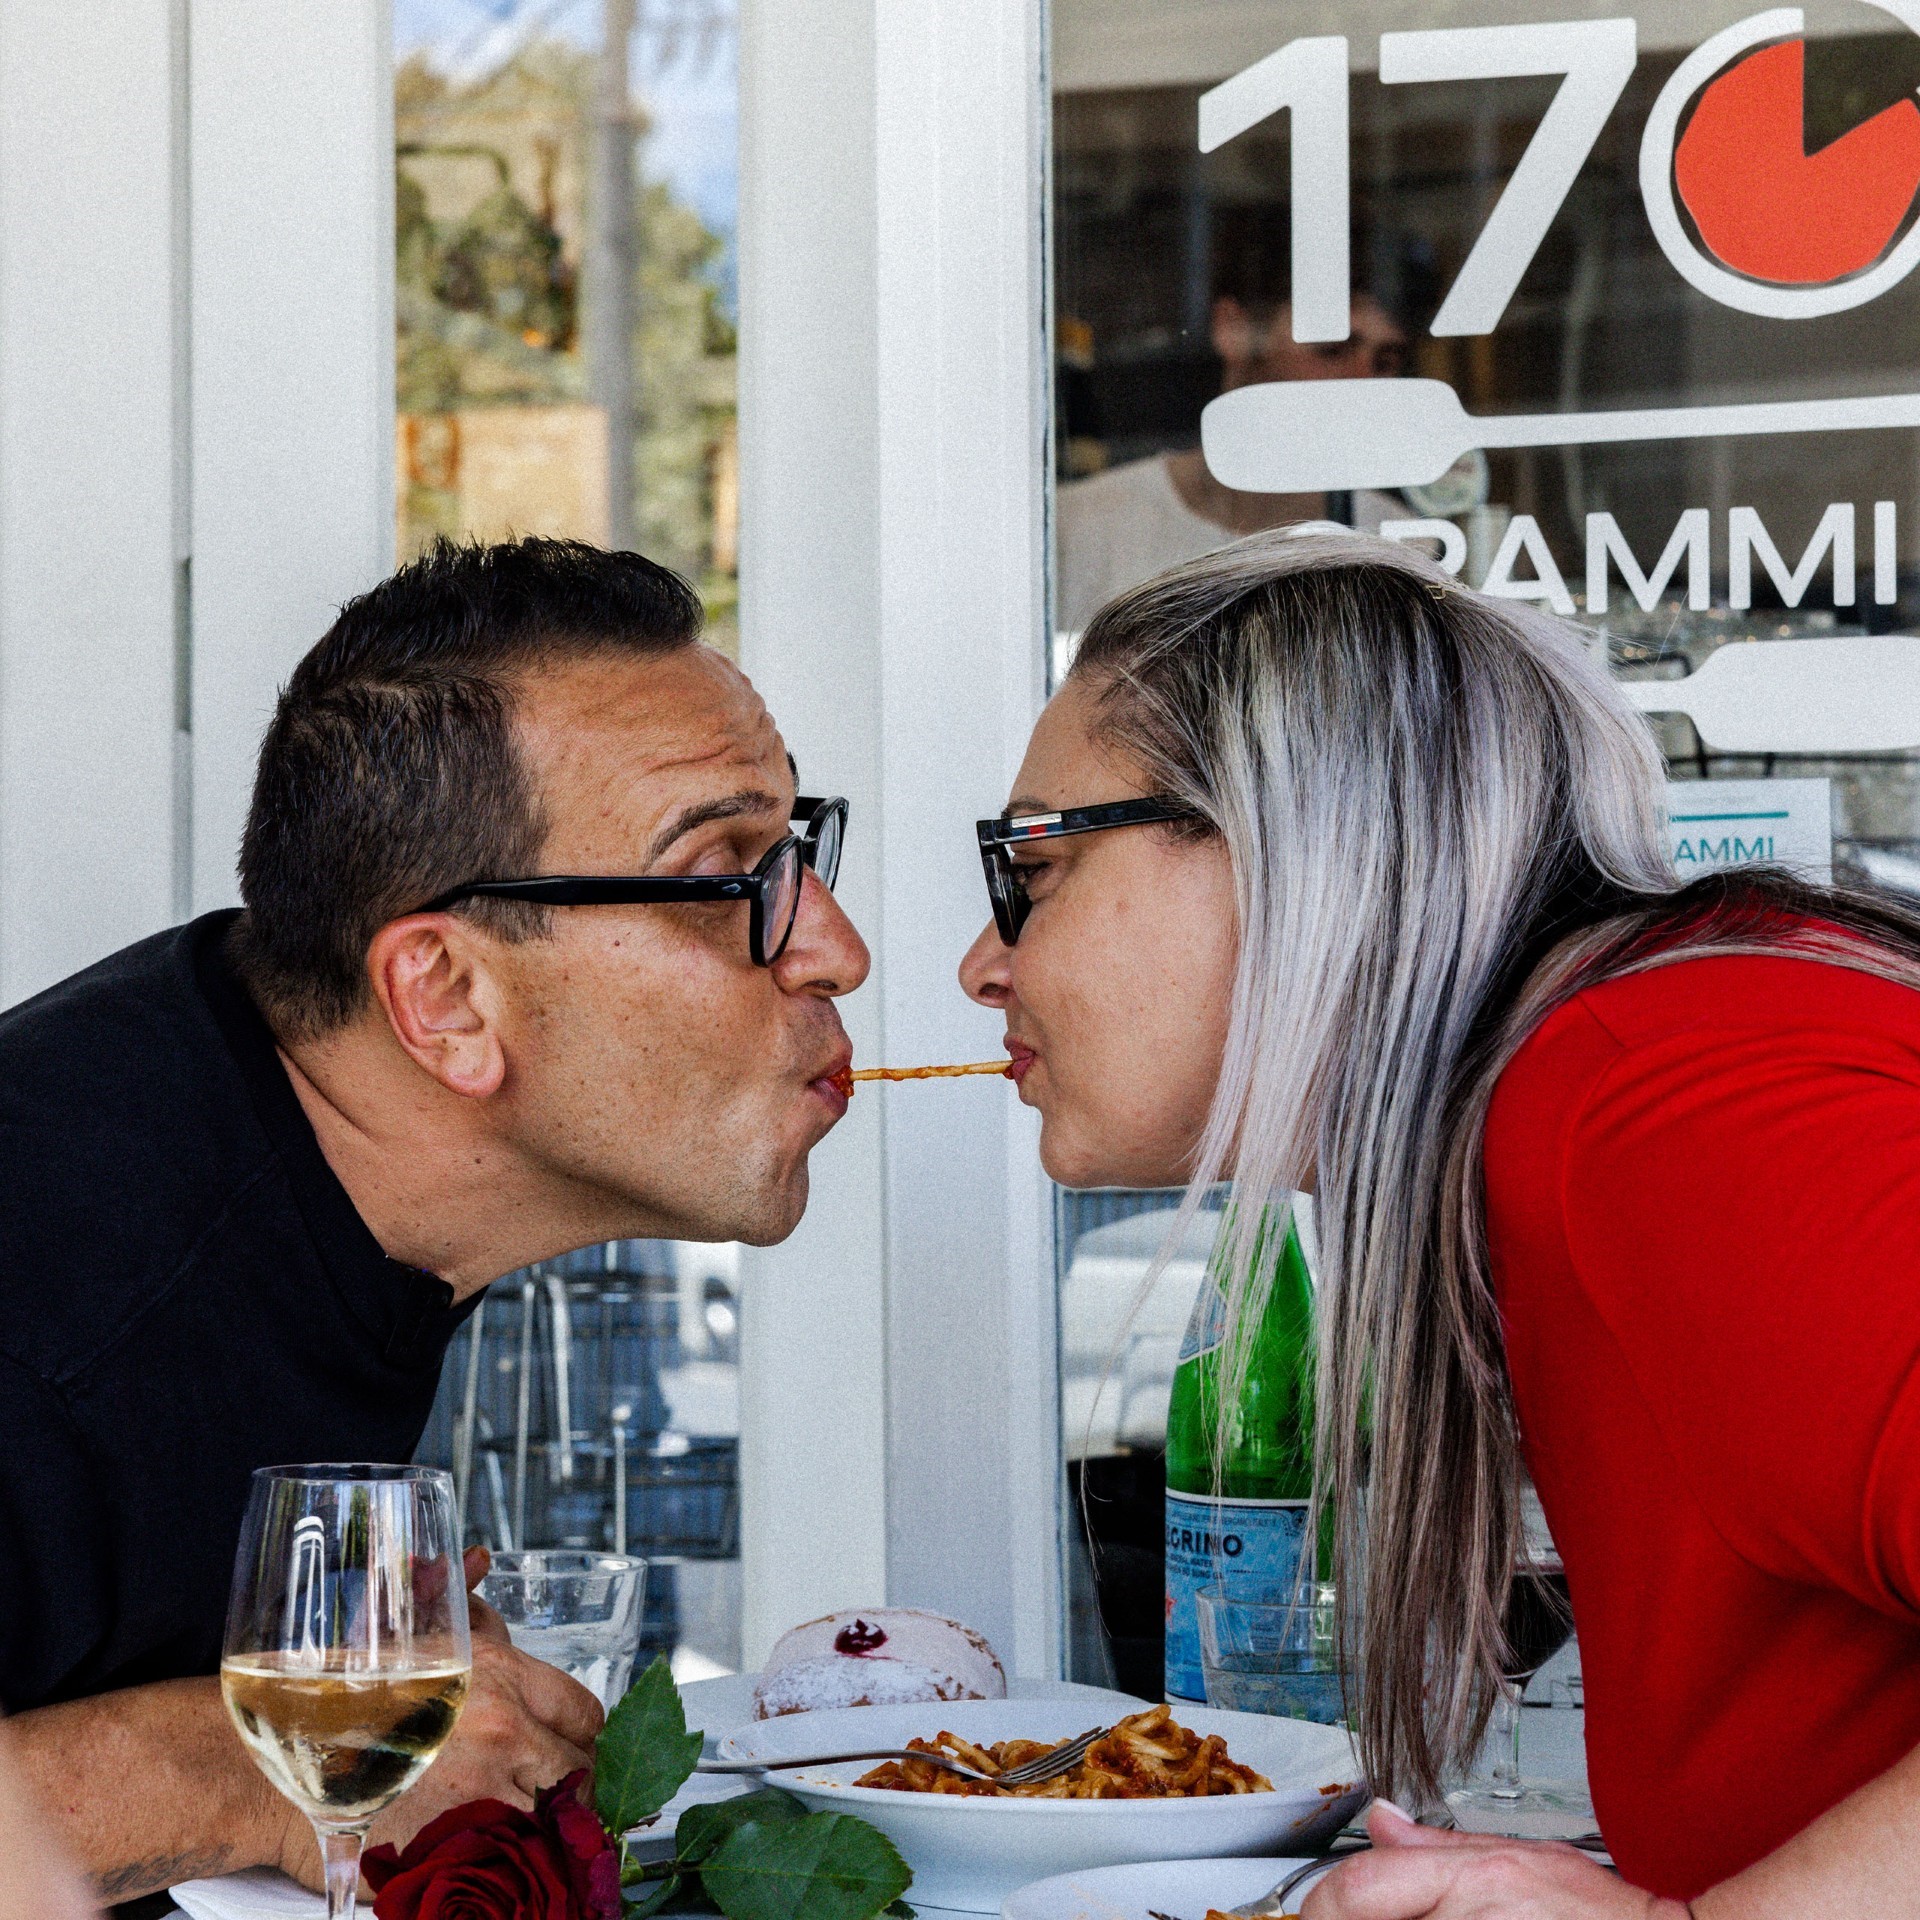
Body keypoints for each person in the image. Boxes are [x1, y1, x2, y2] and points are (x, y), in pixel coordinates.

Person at [960, 530, 1920, 1914]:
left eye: (1034, 868)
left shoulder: (1659, 1105)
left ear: (1291, 842)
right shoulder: (1608, 1087)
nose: (986, 964)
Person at [1, 537, 869, 1907]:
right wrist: (287, 1761)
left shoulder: (317, 1144)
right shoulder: (58, 1286)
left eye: (797, 854)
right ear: (446, 1000)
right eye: (727, 877)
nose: (833, 947)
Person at [1054, 213, 1414, 634]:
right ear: (1233, 329)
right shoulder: (1081, 527)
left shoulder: (1404, 543)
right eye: (1332, 350)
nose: (1363, 381)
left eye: (1385, 361)